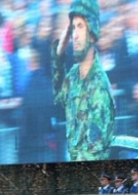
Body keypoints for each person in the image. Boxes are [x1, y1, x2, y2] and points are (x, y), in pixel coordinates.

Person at [52, 0, 114, 161]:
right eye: (73, 28)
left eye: (80, 27)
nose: (74, 35)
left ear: (92, 34)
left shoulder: (99, 86)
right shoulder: (73, 75)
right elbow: (59, 97)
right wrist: (59, 56)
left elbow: (95, 153)